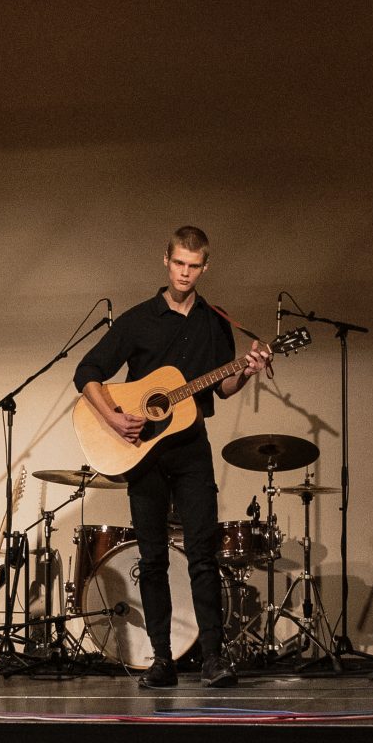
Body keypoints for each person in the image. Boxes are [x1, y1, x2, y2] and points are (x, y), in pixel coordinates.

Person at [74, 225, 269, 689]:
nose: (185, 273)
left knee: (203, 554)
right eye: (179, 263)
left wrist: (247, 371)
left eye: (194, 266)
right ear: (166, 260)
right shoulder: (138, 320)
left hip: (191, 449)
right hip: (142, 453)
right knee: (153, 557)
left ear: (205, 267)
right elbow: (87, 371)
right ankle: (161, 660)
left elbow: (223, 386)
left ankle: (214, 658)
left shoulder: (215, 321)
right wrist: (113, 418)